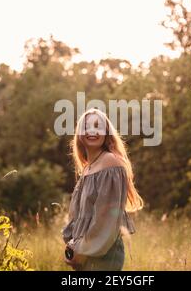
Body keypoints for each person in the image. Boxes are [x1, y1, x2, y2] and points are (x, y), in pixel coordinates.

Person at [62, 108, 143, 271]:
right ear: (79, 133)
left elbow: (105, 218)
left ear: (106, 133)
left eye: (98, 126)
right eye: (87, 126)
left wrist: (83, 251)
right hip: (83, 251)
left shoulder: (110, 163)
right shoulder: (87, 168)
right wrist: (72, 246)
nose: (92, 131)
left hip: (102, 253)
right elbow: (79, 215)